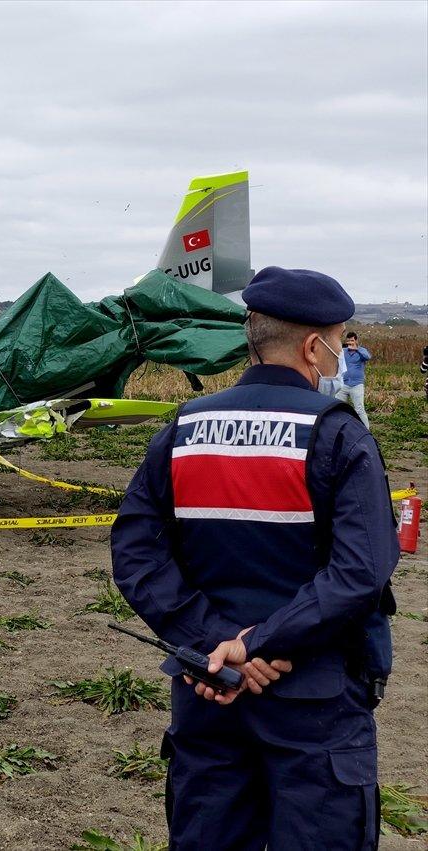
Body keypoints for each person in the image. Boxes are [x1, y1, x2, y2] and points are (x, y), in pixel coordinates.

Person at [111, 266, 398, 851]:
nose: (342, 354)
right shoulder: (338, 435)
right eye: (341, 341)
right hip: (314, 694)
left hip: (206, 688)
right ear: (314, 347)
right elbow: (360, 571)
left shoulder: (183, 428)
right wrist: (260, 644)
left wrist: (213, 644)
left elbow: (136, 551)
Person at [334, 330, 371, 428]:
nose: (350, 343)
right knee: (337, 407)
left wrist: (356, 349)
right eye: (348, 341)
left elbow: (368, 357)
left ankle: (366, 430)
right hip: (343, 384)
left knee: (359, 409)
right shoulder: (343, 351)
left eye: (352, 341)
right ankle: (337, 428)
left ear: (356, 341)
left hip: (356, 385)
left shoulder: (362, 351)